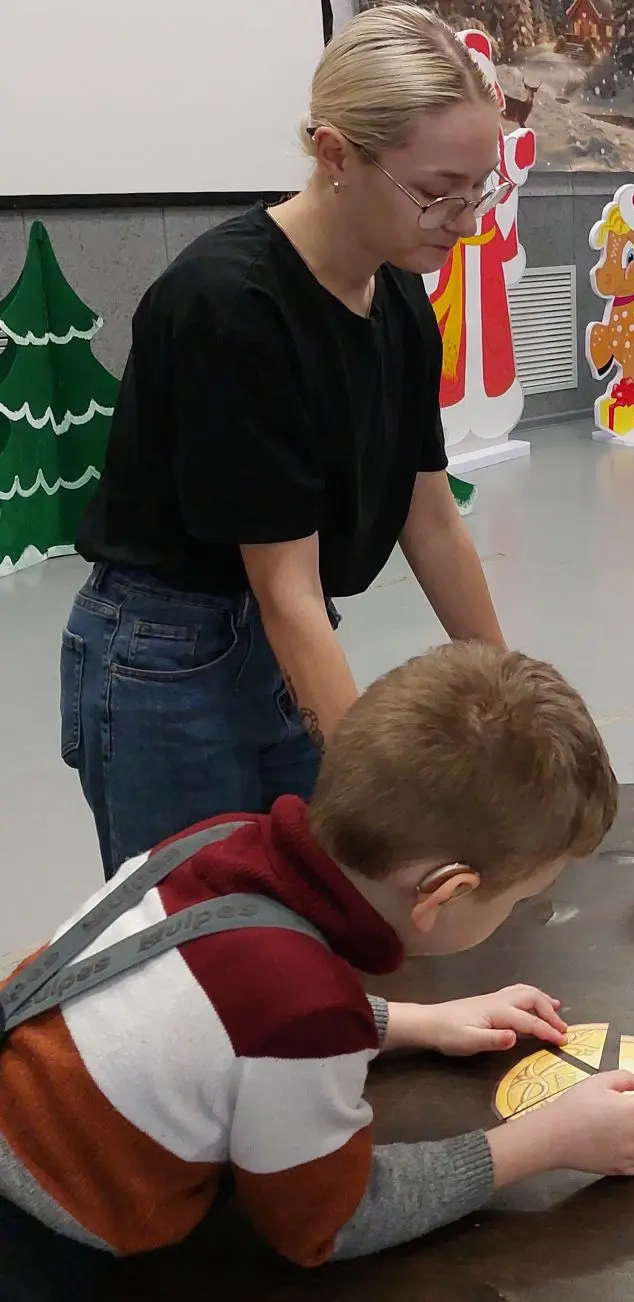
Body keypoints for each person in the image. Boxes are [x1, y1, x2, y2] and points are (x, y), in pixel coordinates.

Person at [0, 644, 634, 1294]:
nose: (515, 914)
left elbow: (217, 1020)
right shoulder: (303, 1010)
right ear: (447, 893)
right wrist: (546, 1140)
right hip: (40, 1242)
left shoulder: (222, 842)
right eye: (518, 900)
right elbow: (329, 1220)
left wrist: (412, 1022)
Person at [62, 5, 507, 878]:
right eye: (438, 190)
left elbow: (430, 518)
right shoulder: (232, 307)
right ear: (337, 154)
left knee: (316, 902)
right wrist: (385, 804)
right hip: (167, 657)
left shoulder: (398, 293)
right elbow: (287, 590)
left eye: (480, 188)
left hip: (279, 638)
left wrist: (515, 706)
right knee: (203, 925)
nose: (464, 221)